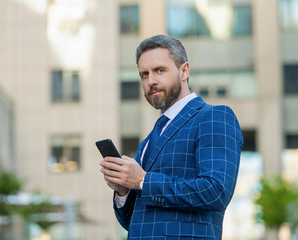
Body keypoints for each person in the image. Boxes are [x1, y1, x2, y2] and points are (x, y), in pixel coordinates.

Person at [99, 34, 243, 239]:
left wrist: (142, 180)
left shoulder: (214, 117)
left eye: (160, 70)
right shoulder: (147, 142)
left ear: (184, 71)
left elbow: (216, 191)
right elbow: (135, 222)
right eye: (144, 74)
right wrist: (124, 190)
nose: (151, 81)